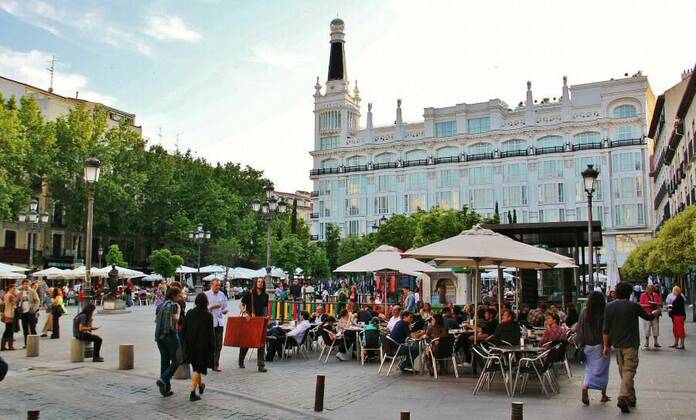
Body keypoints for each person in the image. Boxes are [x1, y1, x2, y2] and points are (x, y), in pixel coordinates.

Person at [603, 281, 660, 413]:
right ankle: (623, 396)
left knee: (624, 372)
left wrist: (606, 346)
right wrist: (655, 313)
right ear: (630, 293)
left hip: (617, 344)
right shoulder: (634, 306)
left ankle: (631, 398)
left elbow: (605, 329)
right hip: (631, 344)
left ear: (616, 292)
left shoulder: (609, 307)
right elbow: (648, 317)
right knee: (629, 371)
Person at [573, 291, 610, 405]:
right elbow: (606, 330)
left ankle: (586, 386)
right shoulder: (604, 312)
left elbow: (580, 328)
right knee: (603, 370)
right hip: (601, 344)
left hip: (588, 345)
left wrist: (580, 342)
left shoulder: (585, 312)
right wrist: (607, 345)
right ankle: (603, 394)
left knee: (589, 368)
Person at [182, 293, 215, 402]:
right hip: (202, 346)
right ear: (206, 302)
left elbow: (184, 329)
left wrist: (184, 343)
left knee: (197, 366)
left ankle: (200, 385)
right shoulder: (208, 315)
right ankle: (192, 393)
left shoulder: (190, 313)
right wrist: (213, 347)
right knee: (197, 368)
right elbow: (211, 333)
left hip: (190, 344)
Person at [155, 286, 181, 397]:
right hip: (170, 336)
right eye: (179, 295)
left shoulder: (160, 305)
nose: (180, 297)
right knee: (177, 360)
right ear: (174, 296)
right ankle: (163, 379)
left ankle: (165, 389)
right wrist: (179, 309)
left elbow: (157, 320)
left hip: (160, 337)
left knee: (164, 361)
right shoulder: (174, 305)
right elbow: (176, 319)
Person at [239, 277, 269, 372]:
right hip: (250, 320)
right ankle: (241, 359)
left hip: (260, 321)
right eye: (258, 282)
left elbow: (265, 308)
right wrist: (245, 312)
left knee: (261, 343)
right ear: (256, 283)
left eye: (262, 282)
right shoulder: (250, 293)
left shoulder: (265, 295)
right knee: (247, 342)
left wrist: (266, 318)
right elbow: (241, 304)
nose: (260, 283)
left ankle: (261, 365)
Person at [204, 280, 228, 372]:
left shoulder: (222, 294)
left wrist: (225, 310)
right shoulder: (206, 295)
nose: (218, 287)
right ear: (211, 285)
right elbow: (201, 308)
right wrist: (212, 306)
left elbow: (225, 306)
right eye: (216, 285)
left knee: (219, 344)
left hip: (219, 322)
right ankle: (208, 362)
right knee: (210, 344)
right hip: (210, 323)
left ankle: (215, 364)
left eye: (219, 285)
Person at [639, 284, 663, 349]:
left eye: (652, 289)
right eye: (649, 289)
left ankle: (656, 342)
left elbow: (661, 303)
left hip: (655, 314)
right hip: (647, 314)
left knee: (656, 328)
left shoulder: (656, 295)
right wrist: (649, 305)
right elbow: (641, 305)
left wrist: (656, 304)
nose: (650, 291)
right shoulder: (643, 295)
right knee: (647, 329)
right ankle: (647, 342)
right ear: (647, 289)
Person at [18, 280, 39, 348]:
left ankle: (35, 344)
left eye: (27, 284)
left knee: (32, 328)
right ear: (22, 285)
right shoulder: (21, 293)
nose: (26, 285)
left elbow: (37, 301)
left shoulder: (32, 291)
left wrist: (34, 309)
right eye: (24, 284)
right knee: (25, 329)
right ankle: (26, 344)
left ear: (29, 285)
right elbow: (18, 301)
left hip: (30, 312)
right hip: (23, 312)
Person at [1, 284, 18, 351]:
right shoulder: (11, 296)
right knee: (9, 331)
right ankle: (10, 346)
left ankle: (3, 345)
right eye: (13, 288)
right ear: (10, 288)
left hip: (6, 314)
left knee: (7, 330)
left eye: (15, 288)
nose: (14, 290)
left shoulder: (6, 295)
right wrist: (16, 297)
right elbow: (14, 305)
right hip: (10, 314)